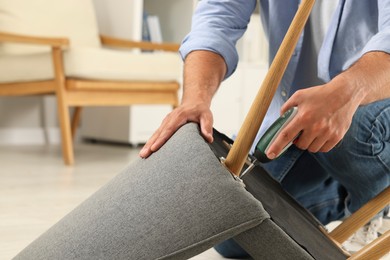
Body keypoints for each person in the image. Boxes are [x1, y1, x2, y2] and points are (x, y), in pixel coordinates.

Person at [140, 0, 390, 257]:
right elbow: (218, 16)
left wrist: (346, 93)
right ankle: (351, 195)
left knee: (358, 127)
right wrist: (195, 99)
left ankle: (379, 211)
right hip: (301, 124)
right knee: (233, 232)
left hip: (373, 100)